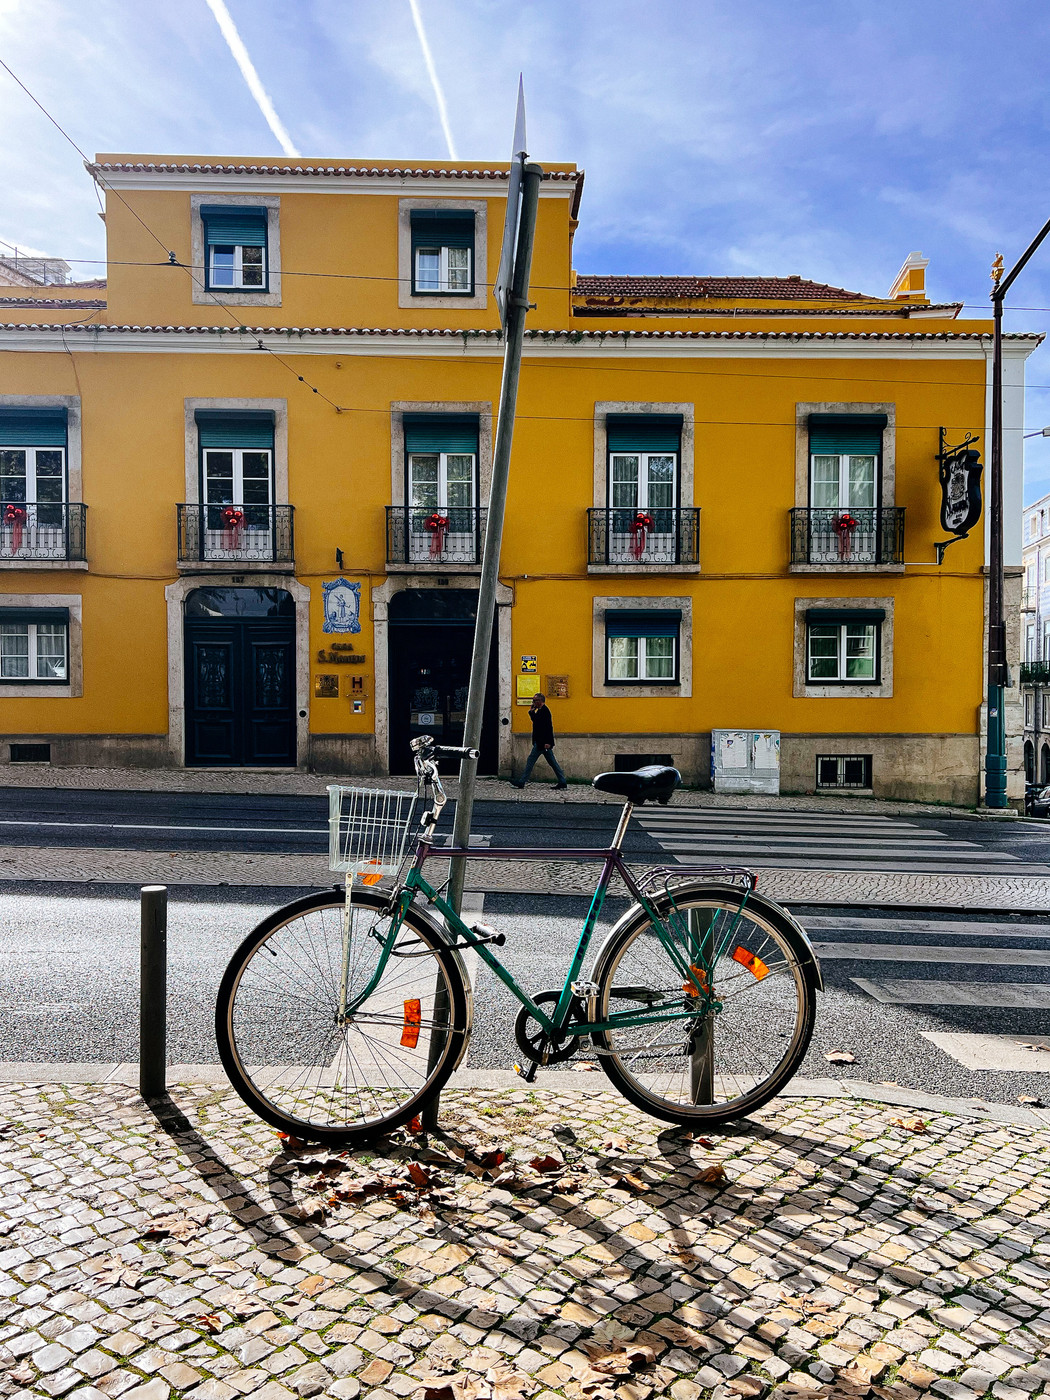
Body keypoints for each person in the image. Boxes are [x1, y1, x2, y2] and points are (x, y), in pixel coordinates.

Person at [513, 693, 568, 789]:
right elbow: (537, 722)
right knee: (553, 763)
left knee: (531, 761)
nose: (533, 702)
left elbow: (547, 728)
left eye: (535, 701)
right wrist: (532, 712)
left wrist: (548, 742)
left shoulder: (544, 711)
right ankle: (562, 781)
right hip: (541, 742)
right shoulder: (541, 711)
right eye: (533, 701)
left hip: (542, 743)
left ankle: (522, 782)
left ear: (540, 701)